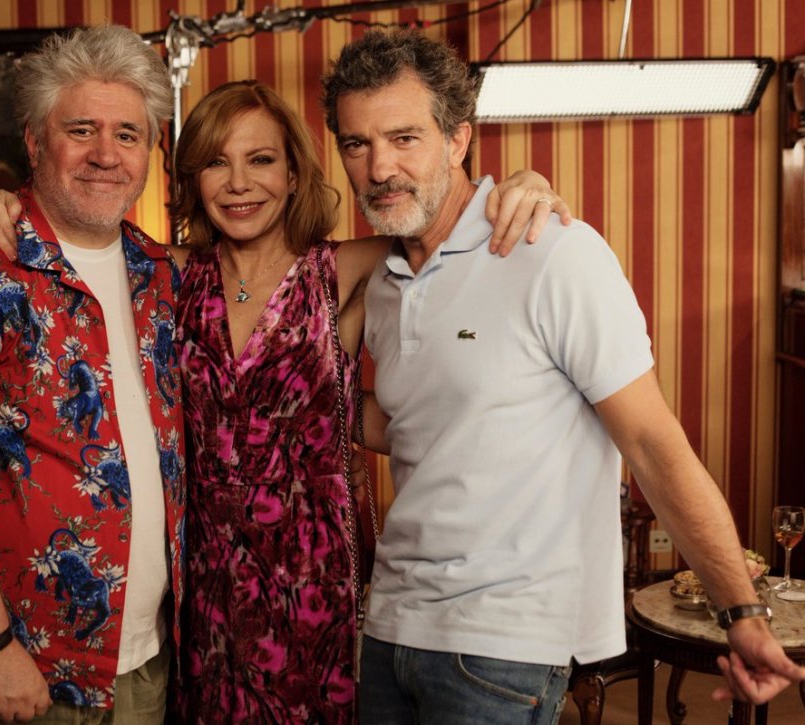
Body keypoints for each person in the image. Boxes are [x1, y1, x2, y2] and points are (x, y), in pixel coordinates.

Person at [0, 80, 568, 721]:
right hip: (204, 586)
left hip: (315, 587)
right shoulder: (165, 273)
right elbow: (64, 234)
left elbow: (447, 220)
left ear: (294, 173)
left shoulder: (350, 268)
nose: (239, 183)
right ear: (194, 179)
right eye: (217, 162)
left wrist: (521, 187)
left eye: (262, 159)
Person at [316, 29, 805, 724]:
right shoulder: (385, 283)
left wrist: (741, 610)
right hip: (391, 626)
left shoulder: (553, 252)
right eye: (356, 144)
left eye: (404, 138)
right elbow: (418, 425)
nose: (379, 167)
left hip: (501, 645)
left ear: (457, 140)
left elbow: (652, 443)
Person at [0, 25, 186, 723]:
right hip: (10, 671)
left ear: (149, 150)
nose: (105, 154)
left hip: (141, 663)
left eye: (128, 134)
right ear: (34, 141)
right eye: (81, 130)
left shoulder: (162, 275)